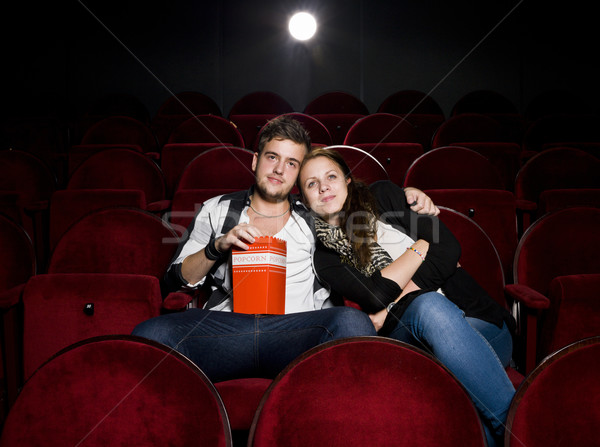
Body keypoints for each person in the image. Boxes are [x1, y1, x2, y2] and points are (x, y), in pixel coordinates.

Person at [132, 116, 435, 383]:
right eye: (272, 157)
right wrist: (217, 246)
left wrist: (406, 196)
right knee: (151, 334)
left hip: (296, 332)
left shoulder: (316, 216)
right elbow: (174, 280)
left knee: (351, 322)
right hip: (228, 331)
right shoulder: (217, 209)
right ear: (254, 160)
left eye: (291, 163)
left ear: (299, 176)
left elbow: (368, 213)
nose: (279, 169)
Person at [298, 147, 516, 446]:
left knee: (431, 318)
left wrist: (391, 308)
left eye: (331, 176)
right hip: (412, 343)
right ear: (304, 198)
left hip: (481, 324)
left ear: (348, 180)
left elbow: (448, 248)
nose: (323, 186)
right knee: (428, 306)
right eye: (311, 183)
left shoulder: (385, 197)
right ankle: (523, 429)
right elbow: (375, 295)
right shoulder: (325, 258)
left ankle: (517, 428)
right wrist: (422, 247)